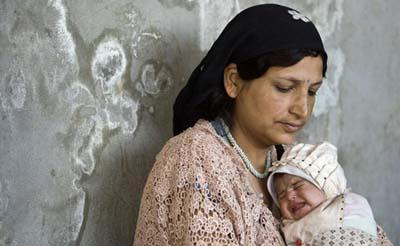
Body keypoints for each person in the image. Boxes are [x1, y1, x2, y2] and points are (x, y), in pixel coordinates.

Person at [133, 4, 392, 245]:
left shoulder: (295, 165)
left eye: (312, 91)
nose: (302, 110)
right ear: (233, 81)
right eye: (284, 87)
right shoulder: (195, 160)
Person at [267, 142, 384, 245]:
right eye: (281, 195)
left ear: (325, 186)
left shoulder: (348, 209)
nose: (289, 196)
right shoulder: (287, 228)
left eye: (297, 185)